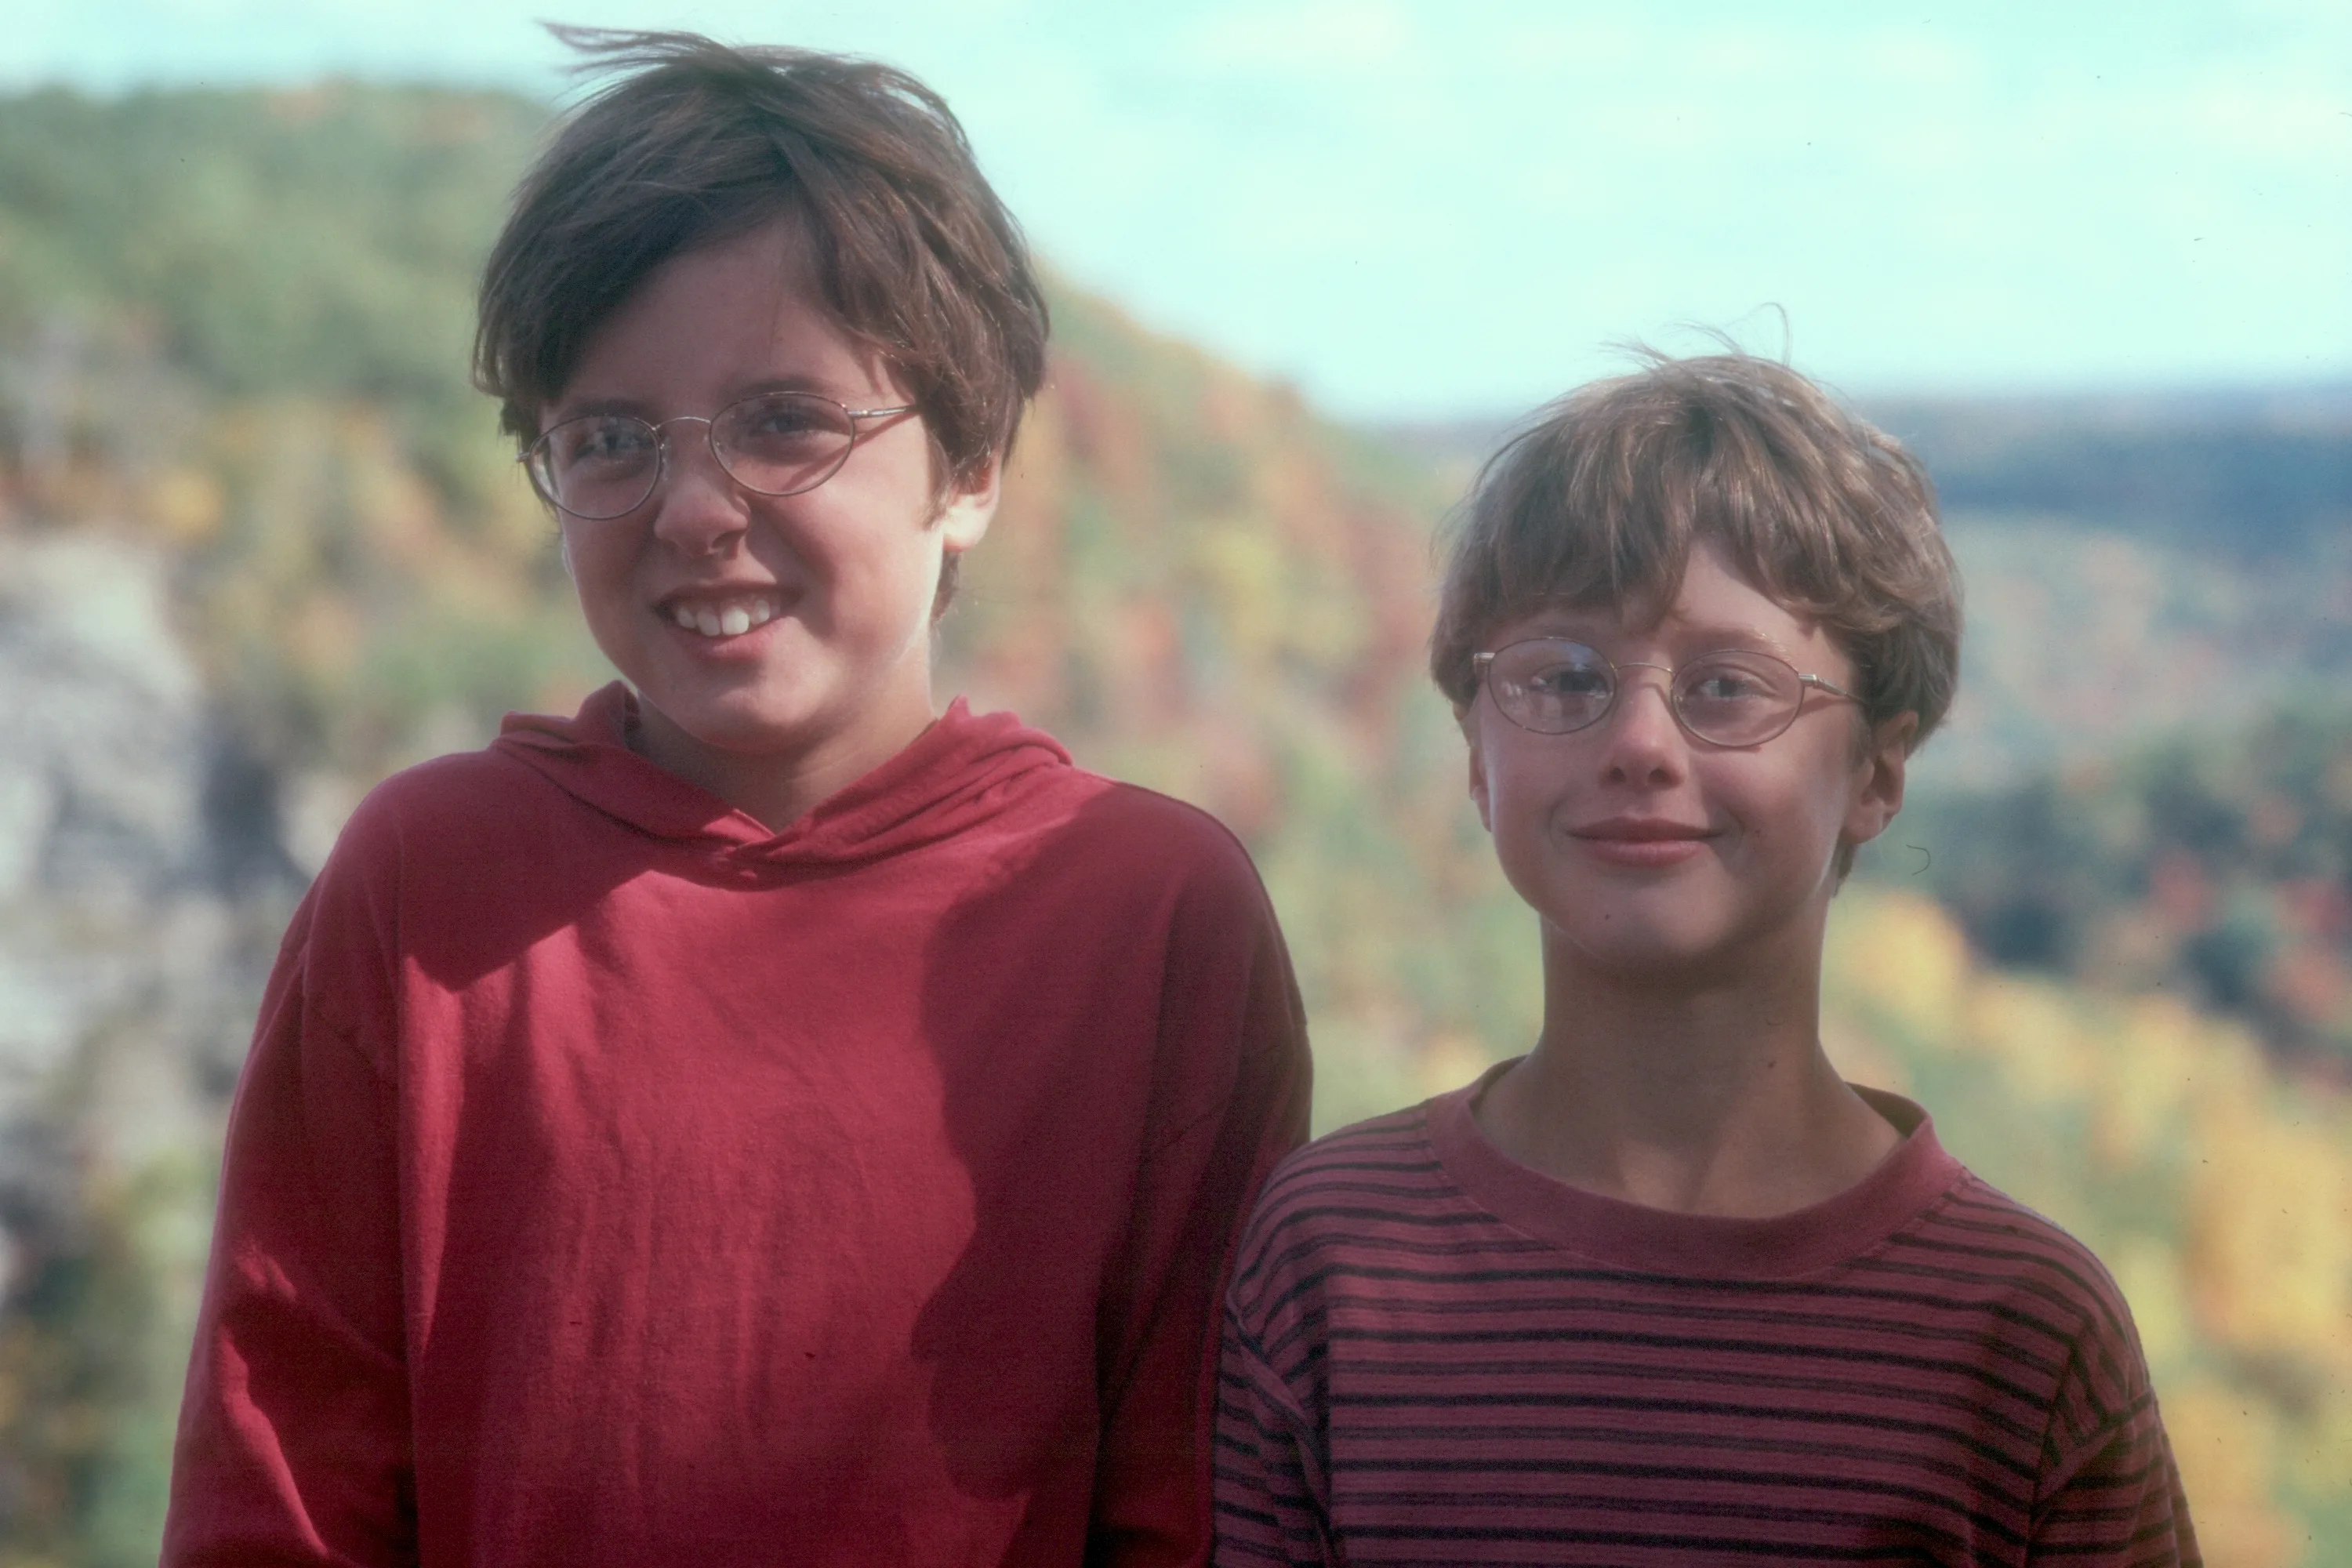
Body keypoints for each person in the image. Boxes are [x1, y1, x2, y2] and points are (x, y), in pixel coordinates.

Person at [165, 31, 1308, 1567]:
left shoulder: (1146, 911)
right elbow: (281, 1496)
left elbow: (1197, 1511)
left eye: (786, 422)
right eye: (613, 440)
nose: (696, 512)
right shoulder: (431, 890)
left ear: (967, 466)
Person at [1212, 353, 2198, 1566]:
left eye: (1730, 687)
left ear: (1879, 772)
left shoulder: (2022, 1333)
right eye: (1564, 677)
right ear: (1477, 758)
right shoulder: (1334, 1254)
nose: (1637, 740)